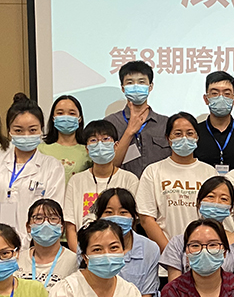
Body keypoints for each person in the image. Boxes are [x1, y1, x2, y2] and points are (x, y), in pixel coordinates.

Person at [0, 93, 66, 245]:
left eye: (32, 130)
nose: (26, 135)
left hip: (36, 247)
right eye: (18, 130)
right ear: (9, 131)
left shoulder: (53, 167)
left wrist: (26, 245)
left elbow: (51, 214)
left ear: (41, 130)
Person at [136, 112, 218, 253]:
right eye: (178, 134)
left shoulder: (209, 172)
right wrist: (170, 253)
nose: (184, 138)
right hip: (166, 255)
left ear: (197, 138)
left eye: (190, 133)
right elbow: (146, 218)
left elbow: (216, 218)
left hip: (204, 254)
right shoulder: (153, 171)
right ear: (168, 139)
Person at [63, 120, 139, 251]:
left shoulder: (129, 179)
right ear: (87, 149)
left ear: (116, 145)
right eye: (93, 140)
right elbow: (70, 227)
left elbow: (133, 223)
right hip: (84, 253)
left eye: (105, 139)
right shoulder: (76, 181)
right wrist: (82, 256)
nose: (100, 144)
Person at [161, 176, 234, 281]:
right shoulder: (177, 243)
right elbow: (174, 285)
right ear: (198, 202)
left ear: (230, 208)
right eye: (210, 196)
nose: (216, 203)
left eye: (224, 199)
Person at [106, 60, 171, 177]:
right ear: (123, 88)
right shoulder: (110, 122)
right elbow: (108, 166)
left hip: (158, 185)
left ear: (150, 86)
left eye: (141, 82)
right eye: (130, 83)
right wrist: (129, 132)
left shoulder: (166, 123)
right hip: (122, 186)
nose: (136, 86)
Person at [16, 199, 79, 291]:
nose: (46, 224)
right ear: (28, 227)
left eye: (53, 218)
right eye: (38, 218)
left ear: (62, 227)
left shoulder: (74, 262)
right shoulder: (17, 260)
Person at [196, 71, 234, 173]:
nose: (221, 98)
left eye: (227, 94)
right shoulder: (195, 132)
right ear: (206, 99)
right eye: (214, 93)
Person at [38, 94, 90, 183]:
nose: (66, 117)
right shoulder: (41, 149)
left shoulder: (88, 150)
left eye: (72, 113)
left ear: (80, 119)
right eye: (60, 113)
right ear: (53, 118)